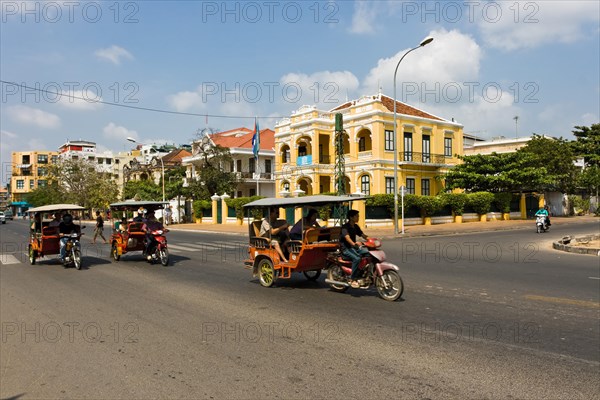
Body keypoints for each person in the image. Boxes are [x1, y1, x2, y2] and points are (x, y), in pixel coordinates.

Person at [340, 209, 370, 288]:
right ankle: (352, 279)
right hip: (346, 249)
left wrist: (371, 240)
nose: (358, 218)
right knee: (357, 258)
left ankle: (363, 271)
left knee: (368, 253)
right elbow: (347, 238)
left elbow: (363, 235)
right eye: (357, 216)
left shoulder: (355, 226)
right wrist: (354, 244)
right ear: (351, 217)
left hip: (353, 247)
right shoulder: (345, 227)